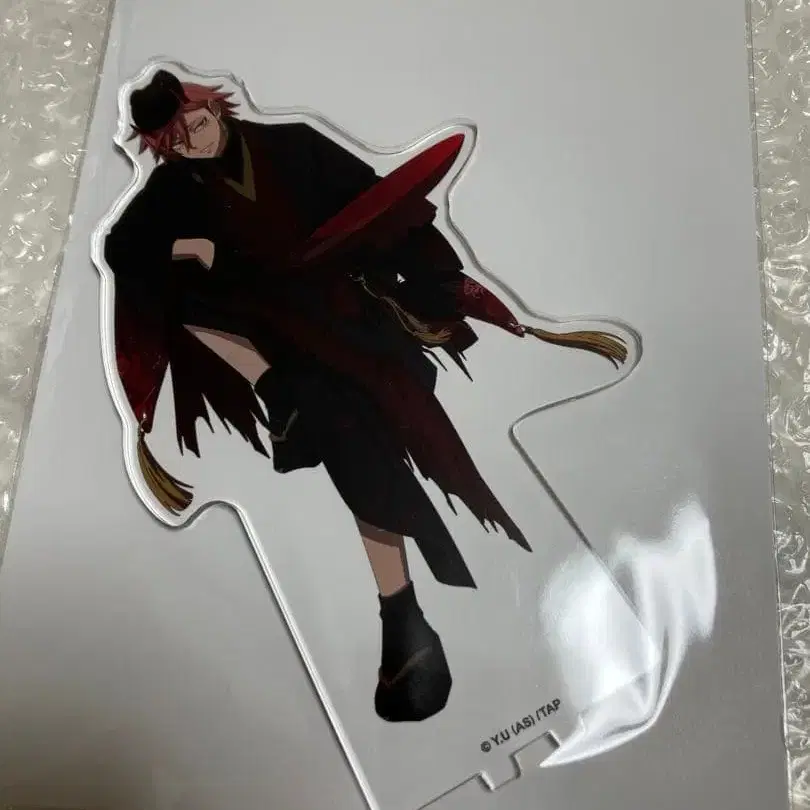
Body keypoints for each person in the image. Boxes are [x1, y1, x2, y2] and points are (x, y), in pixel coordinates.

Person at [103, 69, 626, 723]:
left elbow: (383, 208)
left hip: (355, 325)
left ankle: (439, 612)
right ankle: (402, 616)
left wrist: (440, 287)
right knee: (353, 447)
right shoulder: (173, 191)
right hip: (282, 353)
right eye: (176, 141)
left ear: (213, 106)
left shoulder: (293, 145)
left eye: (196, 124)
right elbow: (121, 247)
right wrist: (191, 246)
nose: (192, 142)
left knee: (403, 440)